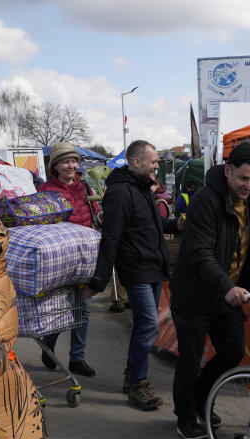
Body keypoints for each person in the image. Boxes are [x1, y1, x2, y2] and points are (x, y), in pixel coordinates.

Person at [169, 141, 250, 439]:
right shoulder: (206, 200)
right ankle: (185, 416)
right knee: (191, 358)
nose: (248, 185)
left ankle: (201, 400)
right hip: (195, 295)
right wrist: (228, 287)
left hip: (227, 294)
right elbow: (200, 253)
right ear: (228, 170)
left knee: (232, 351)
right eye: (243, 178)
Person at [88, 140, 170, 410]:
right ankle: (137, 382)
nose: (157, 165)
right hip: (136, 269)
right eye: (154, 161)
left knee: (145, 326)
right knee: (148, 325)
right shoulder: (121, 192)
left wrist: (176, 224)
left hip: (154, 267)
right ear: (137, 162)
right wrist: (100, 281)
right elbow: (110, 238)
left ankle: (132, 377)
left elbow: (151, 226)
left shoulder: (142, 188)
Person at [36, 142, 101, 377]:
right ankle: (49, 347)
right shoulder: (46, 190)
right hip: (62, 258)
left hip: (85, 257)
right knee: (60, 310)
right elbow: (43, 226)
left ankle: (77, 359)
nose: (71, 165)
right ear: (55, 166)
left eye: (74, 161)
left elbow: (91, 215)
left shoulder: (84, 187)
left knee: (83, 308)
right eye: (65, 161)